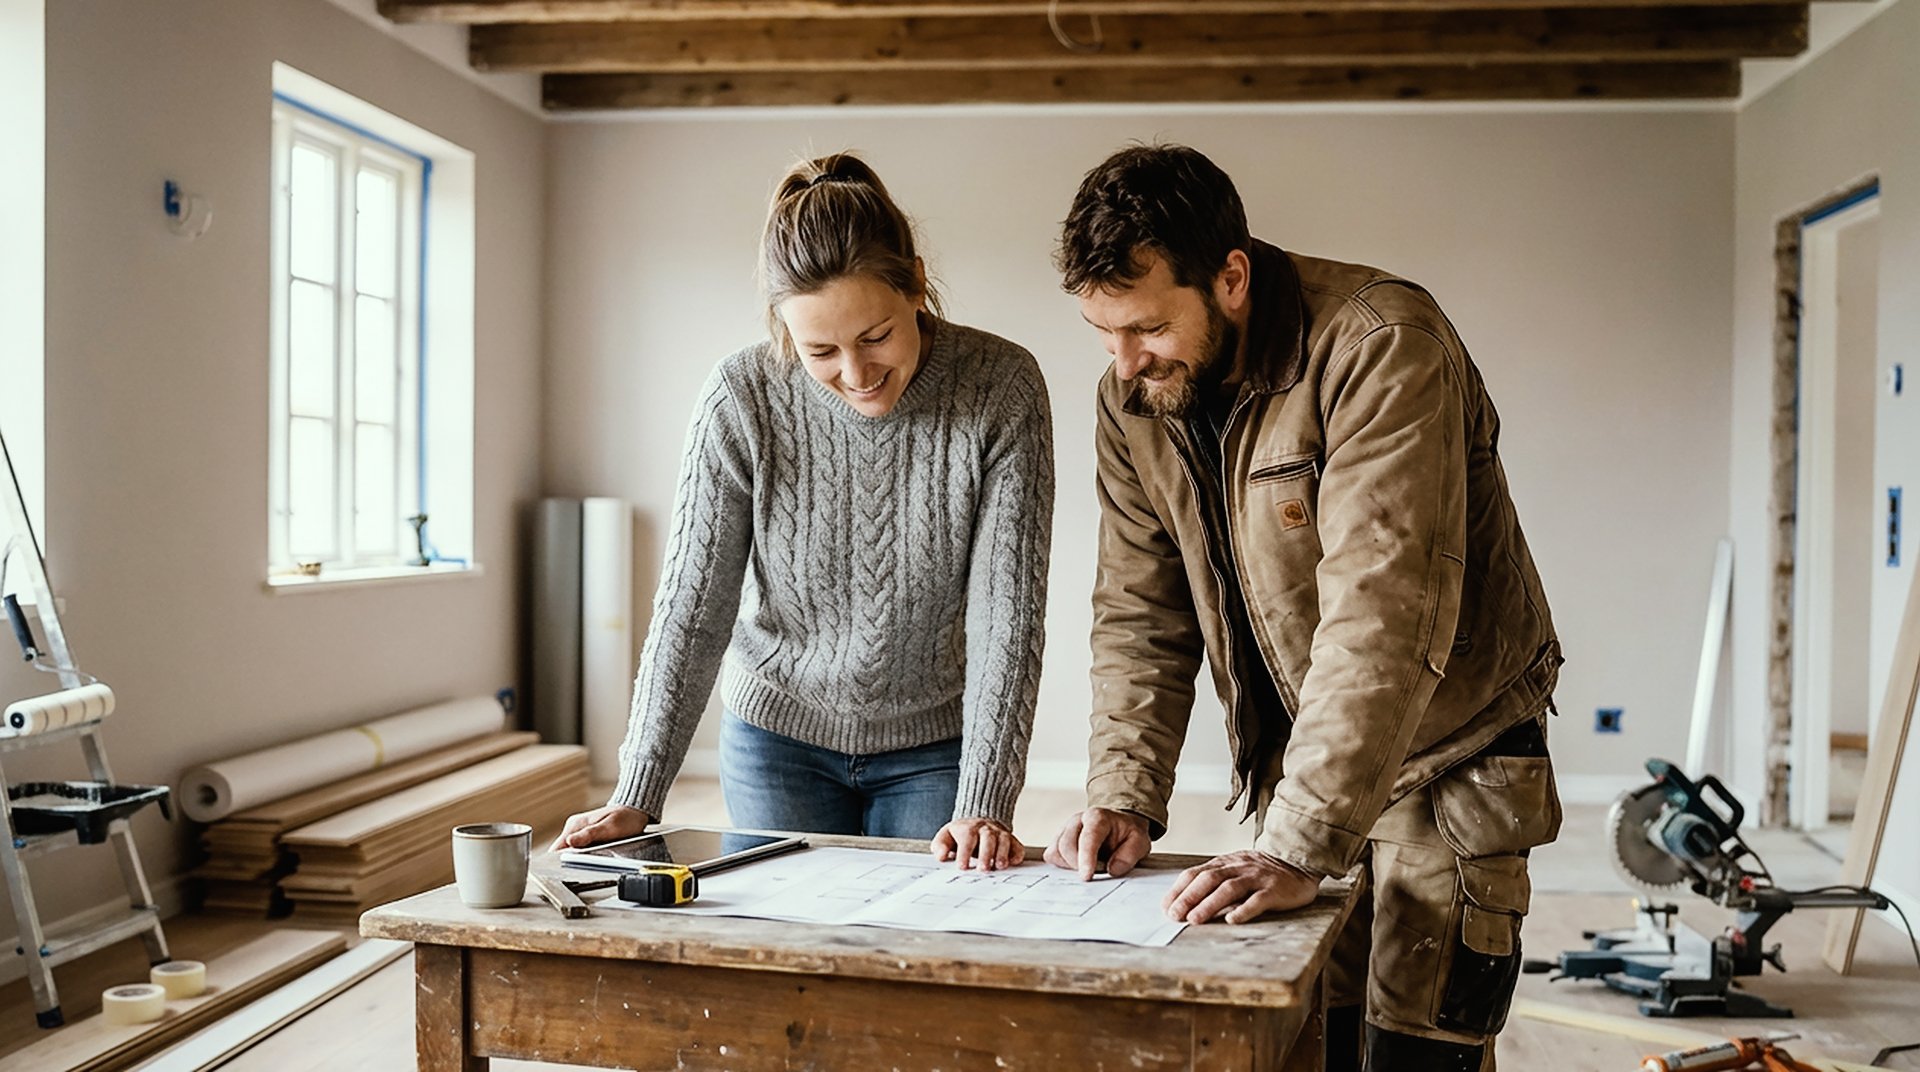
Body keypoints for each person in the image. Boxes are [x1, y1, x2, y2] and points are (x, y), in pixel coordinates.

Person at [1042, 144, 1562, 1070]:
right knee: (1302, 1041)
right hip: (1310, 760)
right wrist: (1124, 792)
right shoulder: (1133, 401)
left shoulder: (1379, 344)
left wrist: (1295, 847)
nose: (1124, 362)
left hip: (1449, 760)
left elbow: (1386, 616)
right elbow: (1138, 613)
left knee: (1414, 1053)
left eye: (1148, 327)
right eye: (1102, 332)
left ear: (1231, 277)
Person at [555, 153, 1054, 871]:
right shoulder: (741, 397)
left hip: (933, 751)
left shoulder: (1001, 386)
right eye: (821, 351)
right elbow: (694, 610)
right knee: (790, 957)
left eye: (876, 336)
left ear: (916, 282)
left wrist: (985, 795)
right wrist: (639, 792)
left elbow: (1008, 610)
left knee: (915, 954)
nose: (857, 375)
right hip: (777, 744)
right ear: (785, 331)